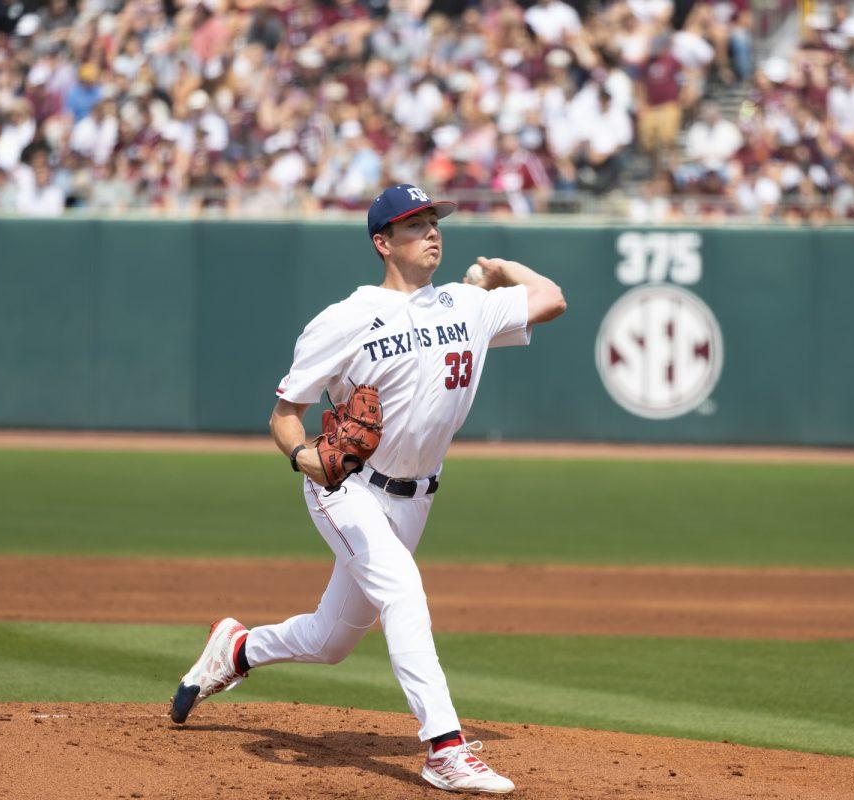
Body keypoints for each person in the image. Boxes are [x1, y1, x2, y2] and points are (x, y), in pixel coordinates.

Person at [169, 183, 567, 795]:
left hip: (416, 499)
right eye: (414, 224)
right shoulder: (344, 320)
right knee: (404, 592)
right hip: (347, 488)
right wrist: (304, 455)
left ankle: (239, 649)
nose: (431, 231)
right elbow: (283, 413)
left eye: (433, 220)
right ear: (382, 242)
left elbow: (552, 299)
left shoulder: (466, 304)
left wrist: (498, 269)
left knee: (331, 641)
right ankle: (444, 749)